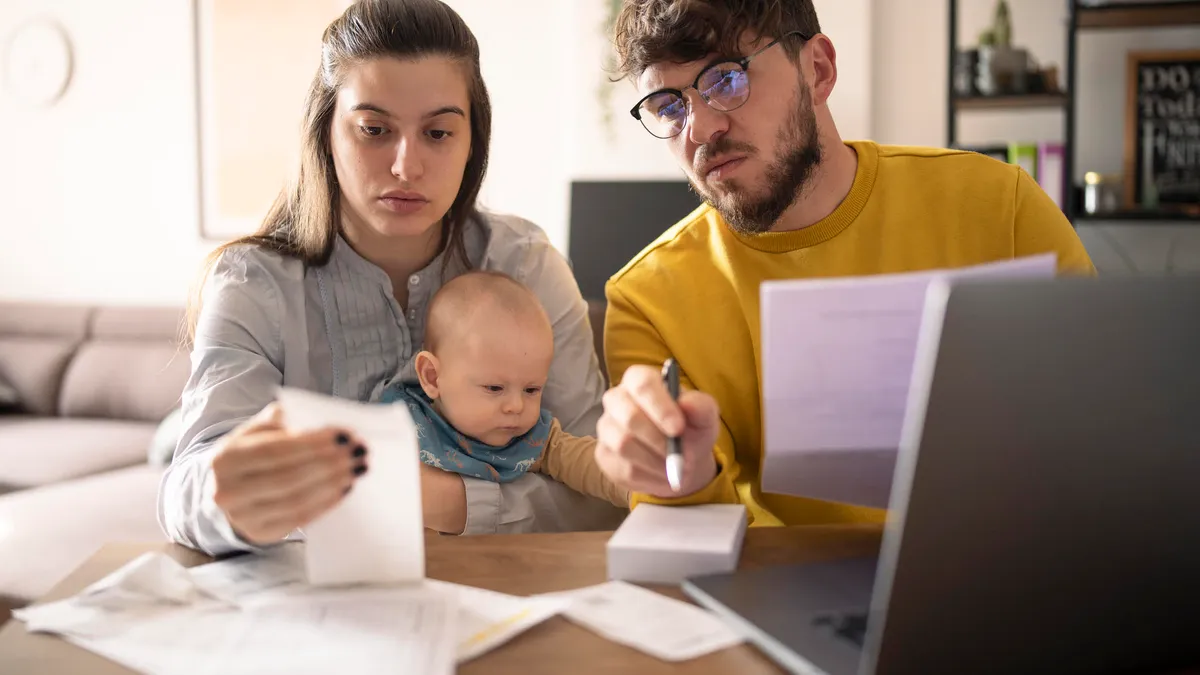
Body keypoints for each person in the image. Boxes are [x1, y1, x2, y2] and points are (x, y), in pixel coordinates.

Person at [592, 0, 1097, 529]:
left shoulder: (1000, 207)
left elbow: (1104, 420)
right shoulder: (647, 300)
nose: (699, 130)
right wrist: (683, 479)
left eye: (725, 79)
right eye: (668, 107)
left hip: (1014, 570)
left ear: (818, 70)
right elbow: (687, 536)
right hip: (779, 591)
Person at [158, 0, 623, 557]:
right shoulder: (251, 283)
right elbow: (183, 494)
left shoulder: (526, 263)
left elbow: (602, 492)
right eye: (374, 130)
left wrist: (439, 502)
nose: (406, 166)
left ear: (473, 141)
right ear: (325, 133)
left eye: (438, 133)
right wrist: (226, 496)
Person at [378, 270, 628, 509]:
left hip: (497, 551)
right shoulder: (398, 423)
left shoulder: (535, 441)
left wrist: (641, 486)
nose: (516, 406)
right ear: (432, 378)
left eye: (531, 390)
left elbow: (591, 465)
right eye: (494, 388)